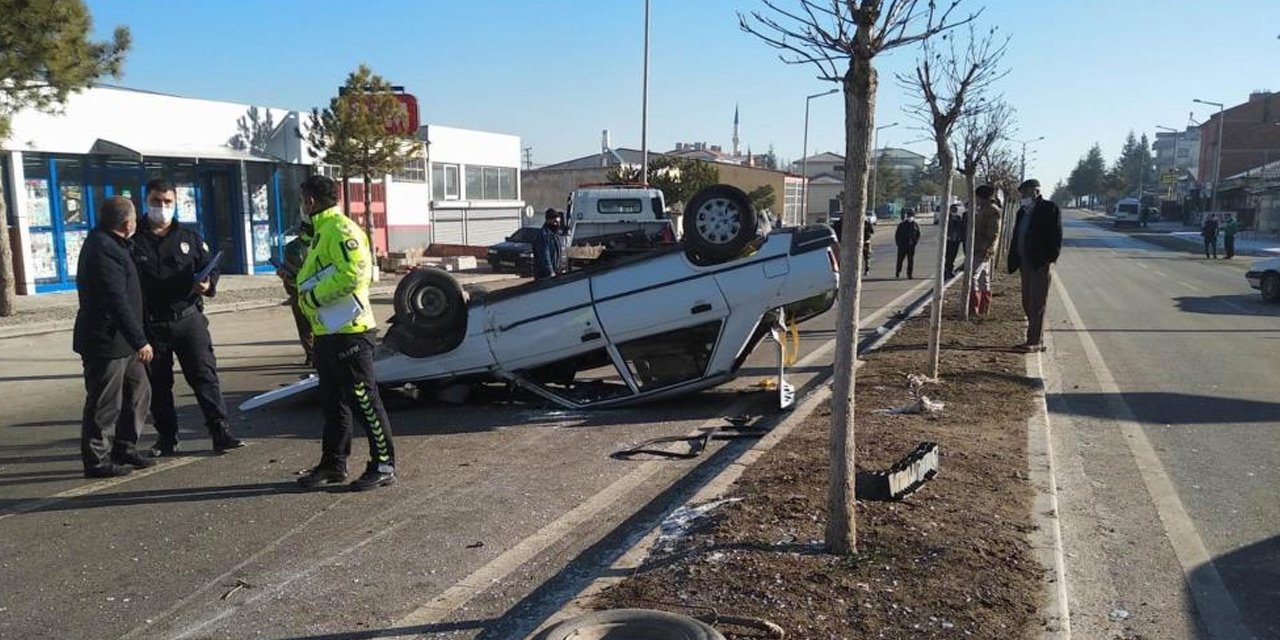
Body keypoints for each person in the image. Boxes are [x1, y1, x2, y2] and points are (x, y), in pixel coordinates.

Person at [294, 175, 397, 491]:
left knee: (365, 401)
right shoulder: (320, 232)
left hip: (350, 331)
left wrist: (311, 297)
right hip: (328, 332)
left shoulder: (340, 229)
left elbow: (355, 274)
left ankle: (383, 465)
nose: (301, 207)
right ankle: (333, 463)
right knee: (332, 402)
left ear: (310, 201)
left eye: (302, 201)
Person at [132, 179, 243, 457]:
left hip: (188, 319)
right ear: (146, 202)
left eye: (168, 202)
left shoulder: (189, 238)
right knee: (159, 385)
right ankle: (167, 438)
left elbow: (209, 268)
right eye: (157, 201)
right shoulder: (134, 240)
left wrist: (208, 284)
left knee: (205, 376)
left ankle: (221, 432)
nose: (162, 207)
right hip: (153, 323)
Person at [74, 197, 155, 477]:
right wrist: (140, 340)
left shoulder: (116, 244)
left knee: (139, 391)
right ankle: (96, 460)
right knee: (105, 402)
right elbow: (115, 299)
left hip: (124, 341)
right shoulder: (102, 248)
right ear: (127, 222)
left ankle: (125, 446)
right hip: (107, 340)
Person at [1006, 179, 1062, 353]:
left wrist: (1049, 258)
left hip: (1039, 263)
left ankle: (1034, 340)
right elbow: (1017, 236)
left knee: (1037, 302)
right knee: (1026, 301)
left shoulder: (1049, 208)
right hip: (1024, 263)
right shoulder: (1022, 212)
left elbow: (1056, 235)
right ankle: (1033, 336)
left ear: (1036, 192)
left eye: (1027, 193)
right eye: (1022, 193)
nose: (1023, 196)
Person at [277, 221, 315, 365]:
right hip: (300, 290)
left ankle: (315, 355)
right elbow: (289, 268)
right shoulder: (293, 247)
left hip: (309, 289)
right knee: (305, 325)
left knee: (310, 325)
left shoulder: (318, 243)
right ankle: (312, 355)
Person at [970, 185, 1003, 317]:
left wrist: (986, 248)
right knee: (984, 278)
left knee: (973, 277)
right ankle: (983, 309)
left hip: (983, 249)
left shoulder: (991, 211)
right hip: (983, 248)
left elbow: (993, 233)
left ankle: (975, 307)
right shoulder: (985, 209)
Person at [532, 208, 564, 280]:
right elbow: (545, 256)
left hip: (556, 272)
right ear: (548, 220)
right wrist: (550, 272)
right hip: (545, 275)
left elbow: (559, 253)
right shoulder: (543, 235)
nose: (557, 224)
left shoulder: (556, 235)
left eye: (558, 222)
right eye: (555, 222)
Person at [895, 213, 921, 279]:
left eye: (911, 216)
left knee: (910, 261)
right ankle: (898, 272)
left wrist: (915, 242)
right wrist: (898, 244)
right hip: (902, 245)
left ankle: (909, 274)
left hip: (911, 246)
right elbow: (897, 235)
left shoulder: (915, 225)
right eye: (909, 216)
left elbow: (918, 234)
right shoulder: (902, 225)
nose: (910, 218)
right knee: (900, 260)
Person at [944, 204, 966, 279]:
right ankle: (945, 271)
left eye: (955, 209)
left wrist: (960, 237)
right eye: (953, 209)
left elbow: (961, 228)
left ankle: (950, 271)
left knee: (953, 256)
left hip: (956, 240)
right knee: (948, 257)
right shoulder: (947, 218)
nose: (954, 211)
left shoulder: (958, 218)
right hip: (948, 240)